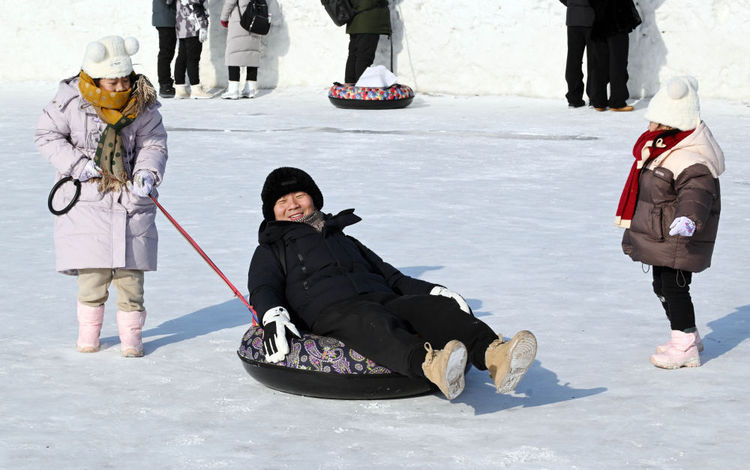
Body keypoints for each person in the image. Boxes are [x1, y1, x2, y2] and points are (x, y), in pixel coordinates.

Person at [247, 167, 537, 400]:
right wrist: (272, 312)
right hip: (330, 309)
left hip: (381, 295)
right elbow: (263, 286)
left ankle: (495, 354)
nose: (293, 205)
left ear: (315, 199)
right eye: (282, 201)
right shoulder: (272, 248)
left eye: (299, 195)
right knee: (370, 321)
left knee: (430, 308)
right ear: (272, 212)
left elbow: (392, 277)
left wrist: (433, 291)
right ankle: (432, 366)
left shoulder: (345, 239)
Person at [35, 35, 168, 357]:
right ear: (94, 79)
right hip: (86, 202)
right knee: (92, 280)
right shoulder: (70, 102)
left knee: (131, 281)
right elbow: (46, 134)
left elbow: (154, 142)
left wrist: (146, 173)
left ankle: (132, 342)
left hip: (131, 201)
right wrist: (77, 165)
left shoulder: (144, 105)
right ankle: (88, 339)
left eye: (126, 79)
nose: (122, 86)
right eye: (113, 81)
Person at [615, 76, 724, 369]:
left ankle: (685, 344)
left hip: (679, 237)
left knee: (674, 288)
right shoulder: (664, 149)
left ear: (675, 124)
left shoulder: (690, 157)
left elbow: (697, 194)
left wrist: (688, 220)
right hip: (662, 234)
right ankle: (687, 334)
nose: (650, 128)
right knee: (661, 286)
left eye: (658, 123)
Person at [588, 0, 641, 111]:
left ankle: (598, 101)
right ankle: (617, 102)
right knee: (618, 61)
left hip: (597, 19)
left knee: (600, 62)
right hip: (616, 19)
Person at [220, 0, 262, 99]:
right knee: (252, 54)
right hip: (255, 21)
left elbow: (230, 2)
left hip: (239, 22)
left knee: (234, 55)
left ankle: (233, 90)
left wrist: (224, 18)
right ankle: (250, 89)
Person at [344, 0, 391, 85]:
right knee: (364, 57)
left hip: (356, 20)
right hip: (368, 21)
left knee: (354, 55)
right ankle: (362, 87)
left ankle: (349, 88)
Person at [559, 0, 595, 108]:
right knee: (594, 60)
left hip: (573, 18)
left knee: (573, 59)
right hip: (591, 17)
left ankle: (574, 97)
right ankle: (594, 96)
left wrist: (571, 3)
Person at [174, 0, 212, 99]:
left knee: (182, 56)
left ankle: (180, 89)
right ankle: (196, 89)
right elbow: (196, 4)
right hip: (193, 26)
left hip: (181, 25)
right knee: (193, 58)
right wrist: (203, 26)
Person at [152, 0, 178, 98]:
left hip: (165, 17)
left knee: (167, 52)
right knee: (166, 52)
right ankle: (165, 84)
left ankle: (165, 83)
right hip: (166, 18)